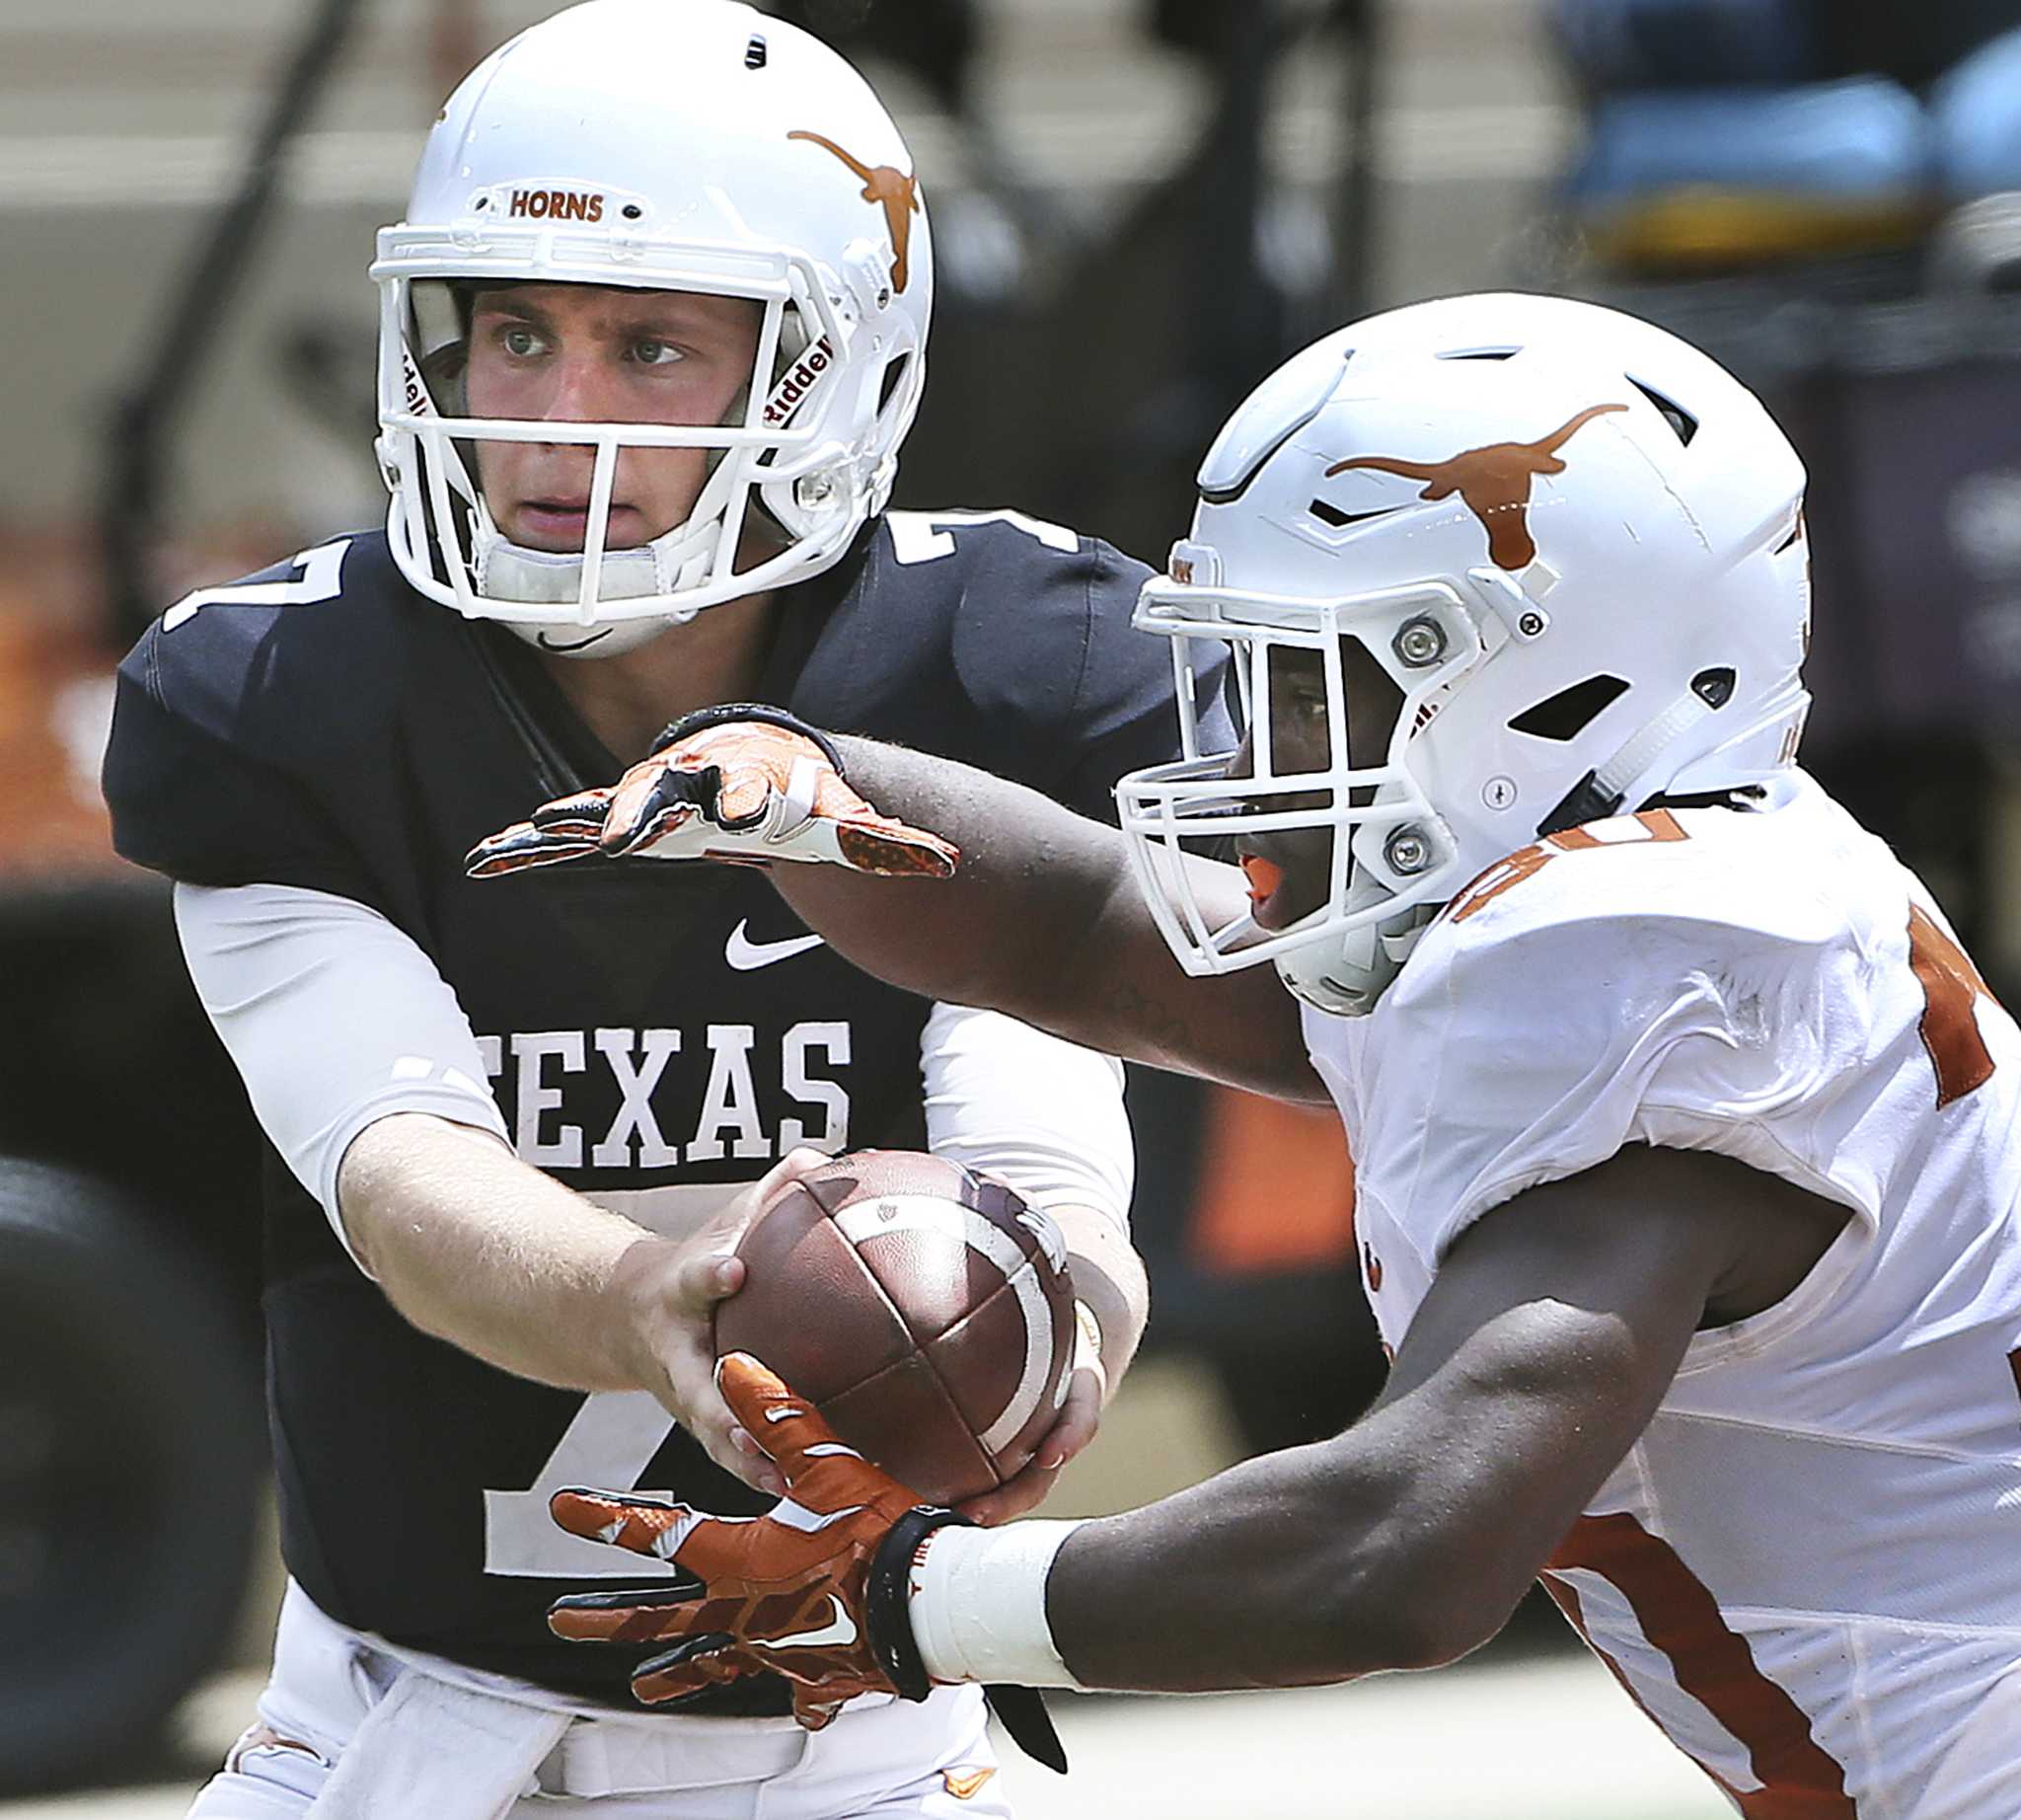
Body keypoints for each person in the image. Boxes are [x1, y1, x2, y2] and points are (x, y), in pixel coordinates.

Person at [473, 292, 2021, 1816]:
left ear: (1536, 686)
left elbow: (1396, 1549)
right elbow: (1091, 935)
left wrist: (911, 1602)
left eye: (1292, 677)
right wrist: (810, 785)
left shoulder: (1636, 973)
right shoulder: (1675, 877)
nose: (1236, 750)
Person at [100, 2, 1194, 1813]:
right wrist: (647, 1298)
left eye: (650, 347)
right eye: (514, 333)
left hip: (861, 1751)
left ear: (826, 373)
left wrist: (1037, 1328)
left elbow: (1050, 1189)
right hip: (390, 1727)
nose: (550, 420)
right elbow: (395, 1173)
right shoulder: (285, 698)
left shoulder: (1011, 665)